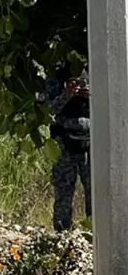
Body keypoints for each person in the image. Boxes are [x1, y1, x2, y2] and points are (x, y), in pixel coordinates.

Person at [44, 63, 92, 231]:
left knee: (95, 191)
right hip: (64, 141)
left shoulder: (96, 67)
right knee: (63, 191)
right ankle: (62, 235)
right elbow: (50, 109)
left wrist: (92, 95)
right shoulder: (57, 74)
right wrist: (68, 94)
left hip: (92, 141)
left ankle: (96, 236)